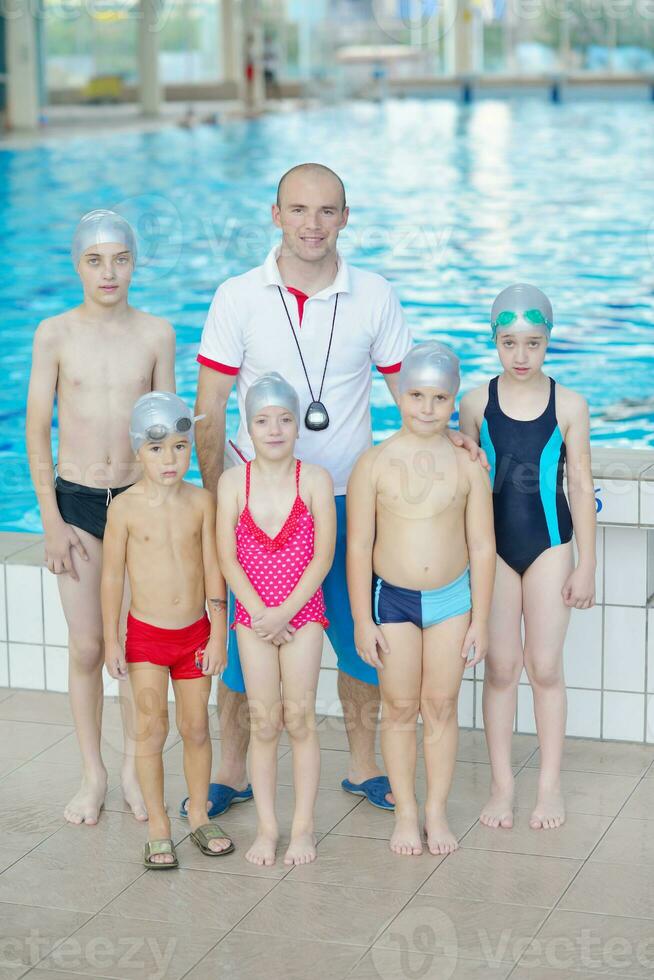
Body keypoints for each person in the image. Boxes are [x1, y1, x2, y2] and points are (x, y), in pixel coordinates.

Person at [191, 162, 485, 821]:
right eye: (298, 210)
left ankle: (364, 765)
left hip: (352, 500)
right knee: (247, 646)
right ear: (275, 214)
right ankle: (233, 770)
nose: (312, 224)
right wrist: (220, 503)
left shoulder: (374, 295)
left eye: (327, 211)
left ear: (345, 217)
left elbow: (411, 391)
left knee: (361, 636)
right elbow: (208, 407)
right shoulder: (237, 296)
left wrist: (459, 440)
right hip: (262, 506)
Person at [25, 210, 176, 826]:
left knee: (139, 650)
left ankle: (138, 771)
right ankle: (93, 774)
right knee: (88, 646)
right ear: (77, 265)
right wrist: (50, 522)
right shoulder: (54, 334)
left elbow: (167, 428)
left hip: (140, 505)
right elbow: (37, 430)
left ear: (134, 263)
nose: (108, 272)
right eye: (95, 260)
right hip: (78, 503)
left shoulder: (156, 334)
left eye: (120, 259)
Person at [348, 342, 495, 856]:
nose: (427, 408)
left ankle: (435, 810)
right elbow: (359, 546)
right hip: (394, 603)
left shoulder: (468, 465)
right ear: (398, 394)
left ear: (453, 400)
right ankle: (405, 812)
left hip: (453, 600)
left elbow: (481, 545)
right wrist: (362, 619)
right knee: (399, 705)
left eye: (439, 397)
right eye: (416, 395)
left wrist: (481, 619)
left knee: (440, 705)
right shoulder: (374, 463)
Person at [459, 284, 596, 831]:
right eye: (510, 343)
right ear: (494, 340)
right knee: (501, 669)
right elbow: (463, 486)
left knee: (543, 667)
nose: (521, 356)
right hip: (492, 552)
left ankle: (549, 787)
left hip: (550, 547)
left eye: (533, 343)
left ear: (548, 341)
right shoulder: (474, 403)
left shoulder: (570, 404)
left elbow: (581, 487)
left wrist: (587, 562)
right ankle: (501, 787)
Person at [102, 392, 232, 867]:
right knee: (151, 730)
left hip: (195, 634)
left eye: (180, 446)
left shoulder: (202, 502)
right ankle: (158, 823)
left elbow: (215, 570)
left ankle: (197, 815)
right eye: (157, 449)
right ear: (138, 450)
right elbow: (113, 577)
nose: (170, 458)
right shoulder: (125, 508)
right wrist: (112, 640)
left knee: (197, 727)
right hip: (147, 640)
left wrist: (219, 631)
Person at [217, 374, 335, 866]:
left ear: (297, 426)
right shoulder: (232, 483)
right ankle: (268, 828)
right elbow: (227, 558)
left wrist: (285, 613)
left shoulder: (315, 480)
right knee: (265, 722)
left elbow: (323, 555)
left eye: (285, 419)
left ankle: (303, 829)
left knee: (300, 718)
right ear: (248, 427)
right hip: (253, 616)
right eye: (263, 420)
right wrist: (262, 615)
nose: (274, 429)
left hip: (302, 613)